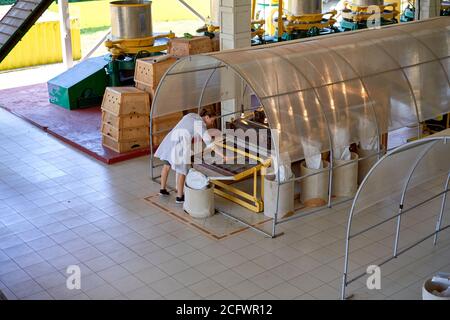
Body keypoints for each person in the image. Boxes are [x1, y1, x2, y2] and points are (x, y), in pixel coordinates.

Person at [154, 108, 225, 203]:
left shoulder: (191, 115)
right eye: (212, 120)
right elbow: (209, 143)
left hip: (170, 139)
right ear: (207, 117)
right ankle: (180, 197)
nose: (212, 123)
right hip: (179, 145)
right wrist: (222, 155)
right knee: (182, 171)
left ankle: (162, 190)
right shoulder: (200, 125)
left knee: (166, 165)